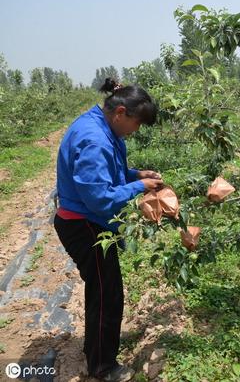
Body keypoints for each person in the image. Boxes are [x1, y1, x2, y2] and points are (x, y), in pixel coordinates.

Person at [54, 78, 163, 381]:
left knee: (104, 288)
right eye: (136, 123)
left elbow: (108, 173)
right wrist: (139, 186)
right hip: (84, 225)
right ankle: (102, 366)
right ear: (120, 113)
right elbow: (100, 198)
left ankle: (97, 350)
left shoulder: (99, 124)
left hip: (85, 218)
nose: (136, 130)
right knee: (106, 293)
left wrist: (134, 174)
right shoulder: (95, 140)